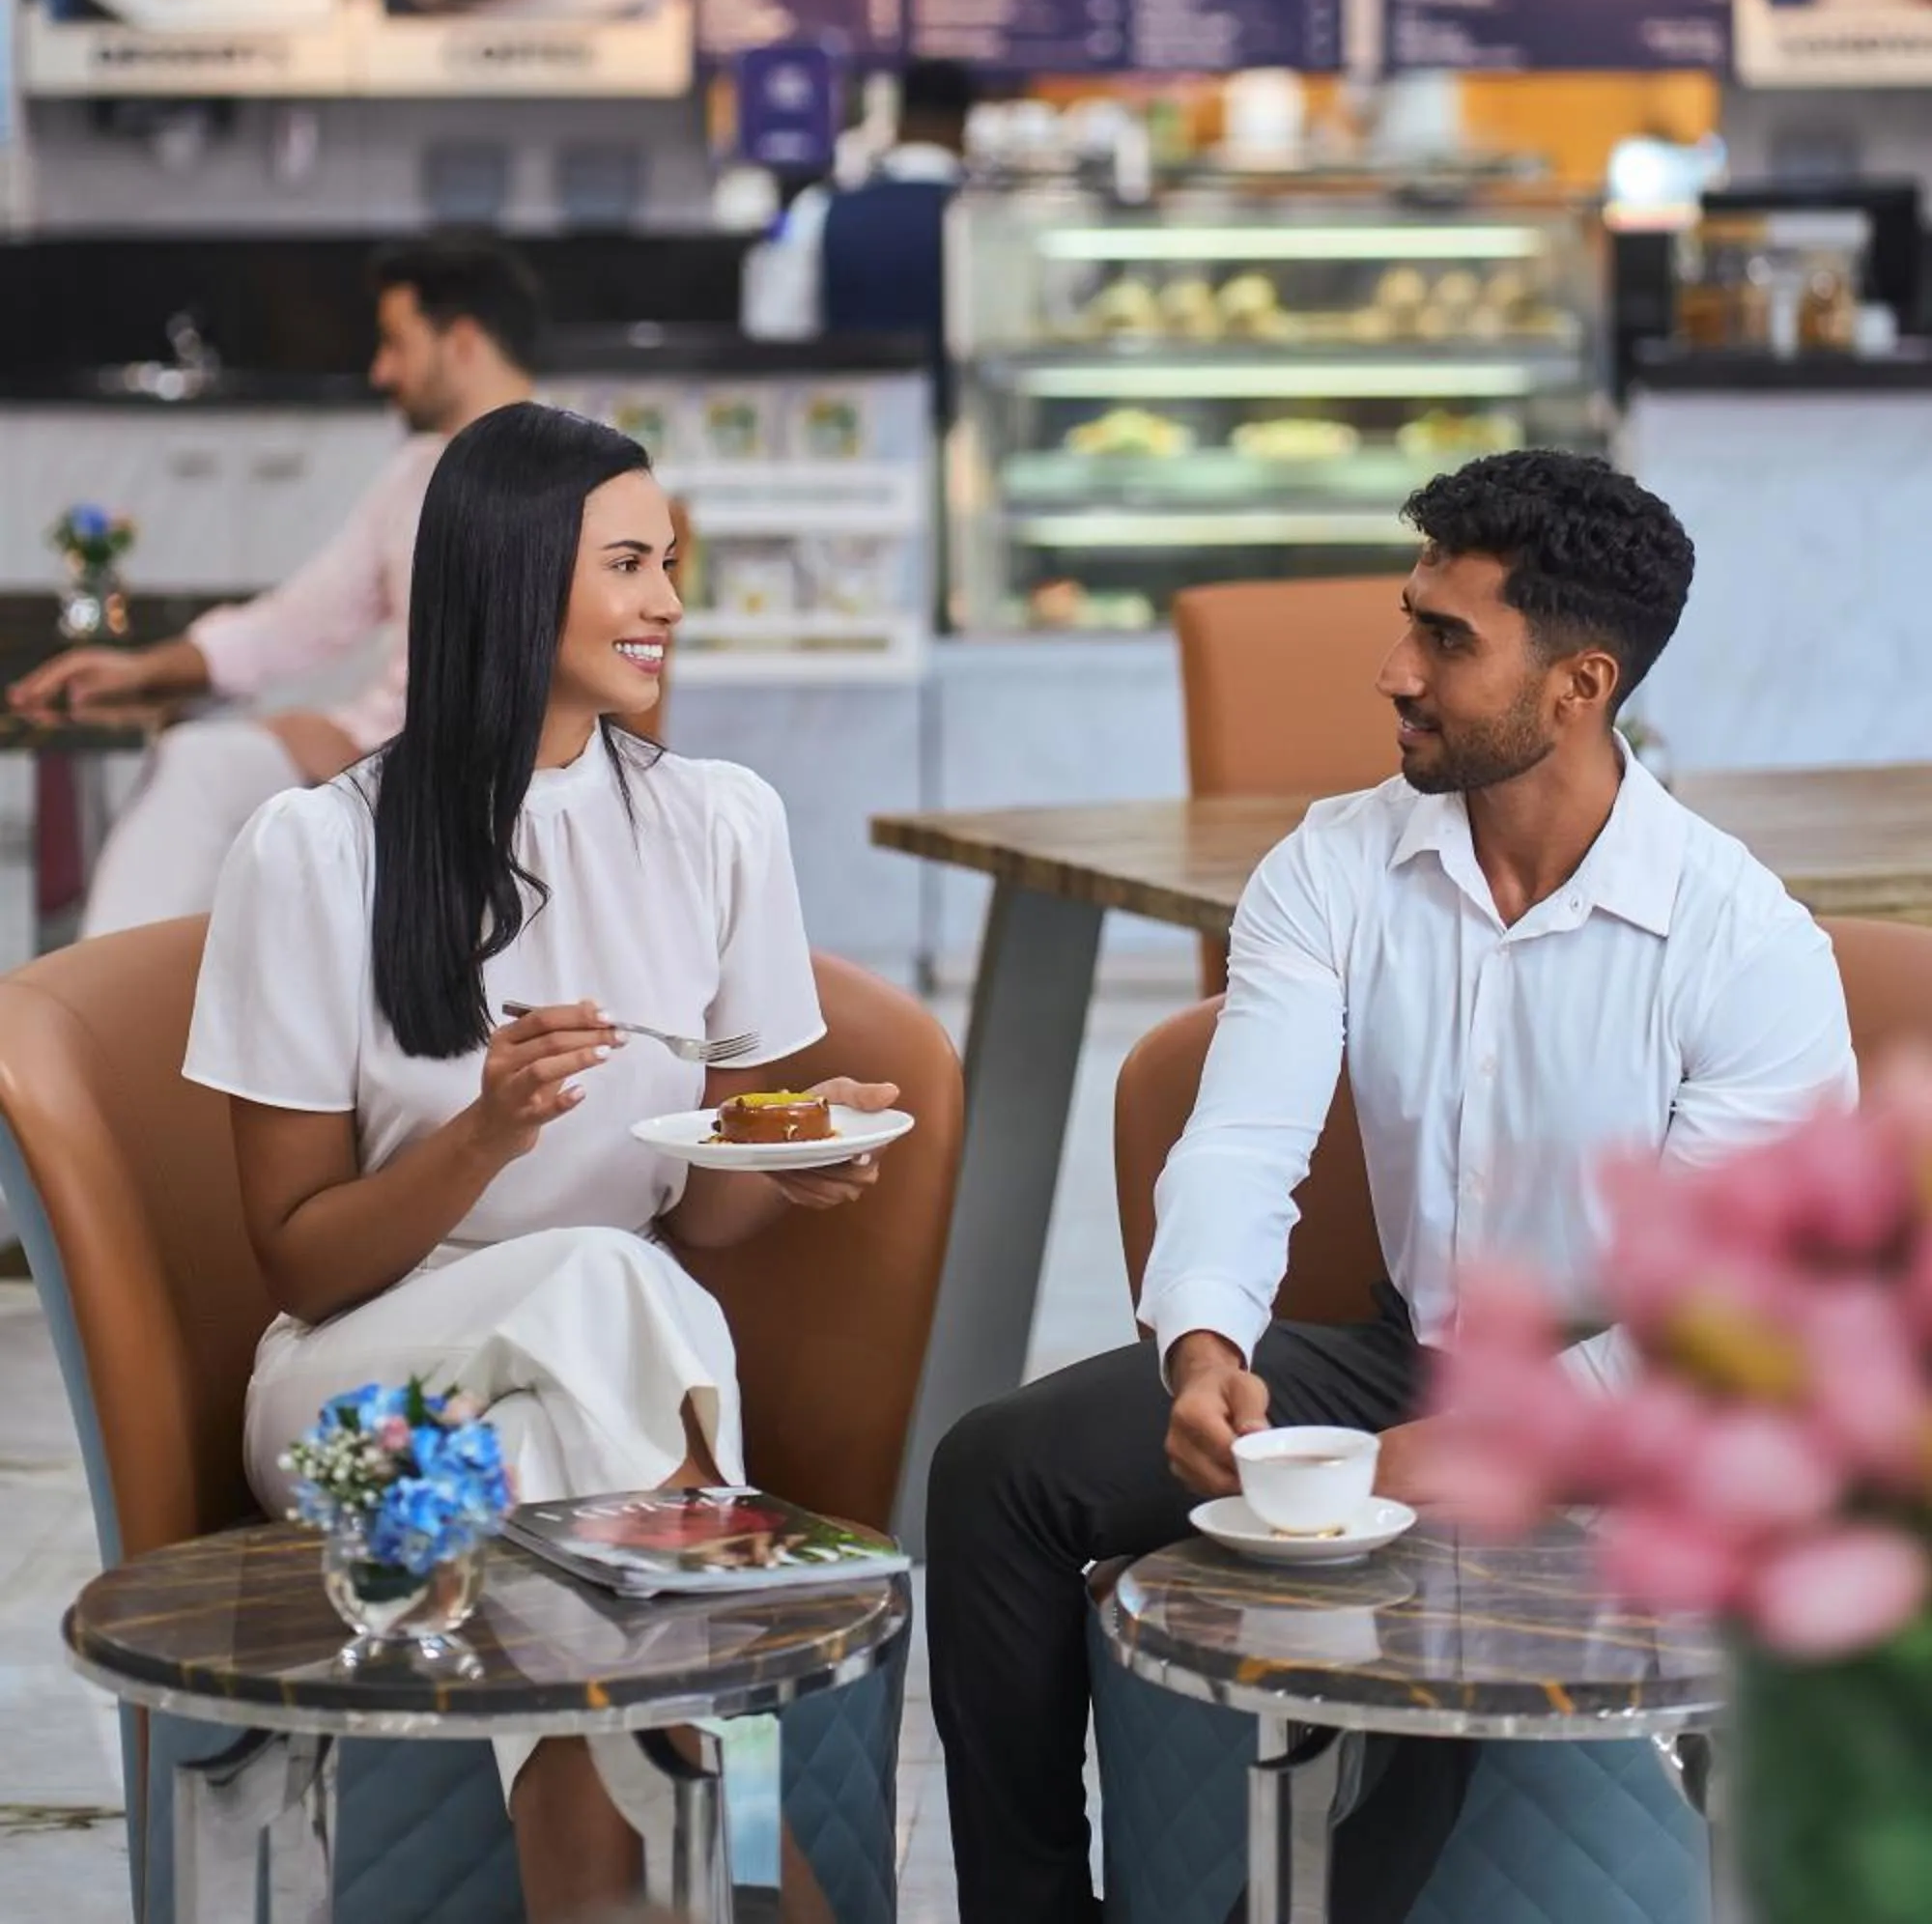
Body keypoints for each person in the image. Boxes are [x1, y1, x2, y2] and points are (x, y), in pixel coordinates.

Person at [926, 448, 1856, 1924]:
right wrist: (1207, 1347)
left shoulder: (1747, 950)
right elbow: (1240, 1143)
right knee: (999, 1471)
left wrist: (1415, 1475)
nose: (1392, 671)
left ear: (1580, 684)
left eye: (1446, 639)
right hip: (1403, 1360)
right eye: (1408, 619)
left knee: (1440, 1603)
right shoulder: (1336, 864)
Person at [184, 402, 899, 1924]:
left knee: (577, 1397)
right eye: (630, 564)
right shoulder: (317, 851)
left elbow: (706, 1213)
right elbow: (299, 1258)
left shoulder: (719, 824)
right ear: (514, 581)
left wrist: (784, 1147)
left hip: (585, 1392)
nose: (669, 603)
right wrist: (489, 1132)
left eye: (672, 563)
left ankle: (598, 1896)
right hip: (363, 1410)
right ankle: (761, 1858)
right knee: (599, 1281)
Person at [9, 233, 542, 935]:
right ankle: (98, 1018)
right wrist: (142, 672)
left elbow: (542, 703)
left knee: (223, 774)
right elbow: (294, 623)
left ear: (463, 342)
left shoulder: (577, 486)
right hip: (376, 756)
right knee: (195, 758)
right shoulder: (416, 474)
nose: (380, 372)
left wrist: (371, 753)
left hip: (472, 789)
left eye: (395, 343)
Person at [743, 56, 973, 357]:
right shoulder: (978, 218)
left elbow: (775, 328)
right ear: (963, 127)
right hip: (965, 402)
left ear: (899, 122)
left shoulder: (819, 209)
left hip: (850, 402)